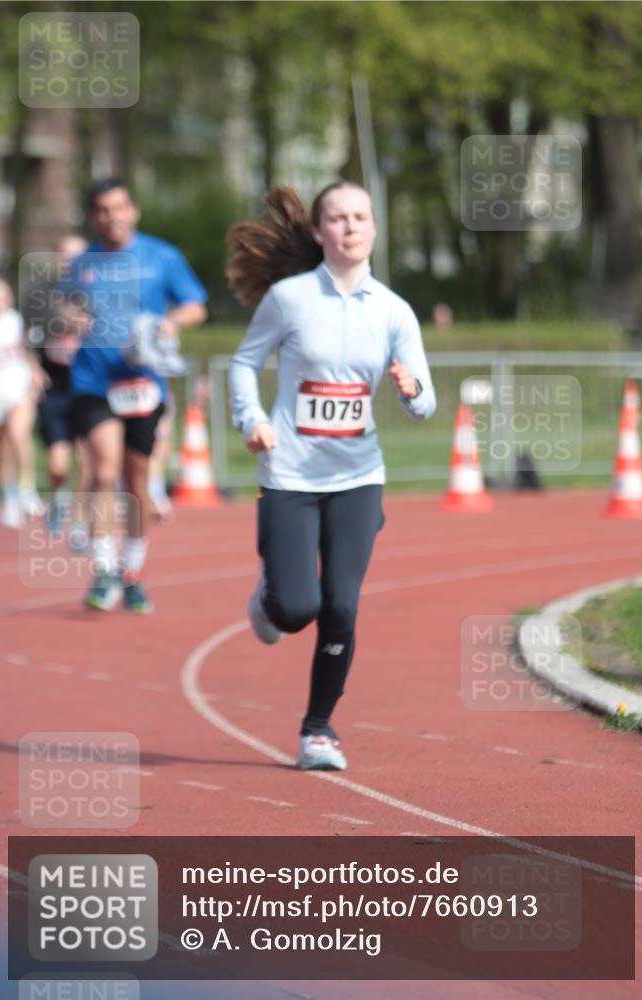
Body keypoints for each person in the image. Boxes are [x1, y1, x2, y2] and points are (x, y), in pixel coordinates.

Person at [227, 182, 436, 771]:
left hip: (358, 476)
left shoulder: (394, 310)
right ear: (319, 232)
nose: (350, 227)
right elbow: (245, 364)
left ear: (374, 228)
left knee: (342, 604)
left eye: (360, 217)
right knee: (297, 609)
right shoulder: (290, 300)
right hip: (291, 473)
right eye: (338, 218)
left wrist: (411, 389)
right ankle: (271, 598)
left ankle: (318, 731)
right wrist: (254, 418)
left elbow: (426, 400)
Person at [64, 178, 208, 612]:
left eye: (120, 207)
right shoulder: (82, 263)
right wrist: (70, 315)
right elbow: (61, 304)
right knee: (104, 472)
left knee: (137, 482)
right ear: (94, 217)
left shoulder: (162, 256)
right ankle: (104, 568)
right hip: (94, 383)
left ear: (134, 210)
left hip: (143, 386)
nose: (113, 217)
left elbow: (195, 305)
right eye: (103, 210)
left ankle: (132, 571)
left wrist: (171, 324)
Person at [26, 234, 93, 538]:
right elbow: (26, 339)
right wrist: (33, 370)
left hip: (89, 385)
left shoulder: (97, 292)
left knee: (88, 457)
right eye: (65, 255)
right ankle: (57, 499)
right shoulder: (41, 295)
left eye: (77, 255)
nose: (70, 261)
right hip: (56, 387)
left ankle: (79, 521)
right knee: (58, 464)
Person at [0, 273, 46, 527]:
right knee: (3, 447)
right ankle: (9, 497)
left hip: (19, 388)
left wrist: (35, 374)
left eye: (0, 296)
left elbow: (28, 351)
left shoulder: (17, 321)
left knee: (17, 434)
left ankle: (27, 488)